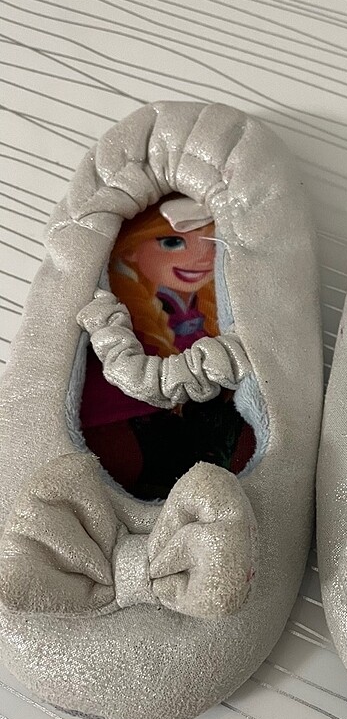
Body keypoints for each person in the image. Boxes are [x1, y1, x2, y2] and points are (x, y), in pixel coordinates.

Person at [80, 197, 254, 498]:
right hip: (136, 421)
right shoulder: (118, 313)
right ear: (131, 248)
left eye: (211, 245)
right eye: (173, 242)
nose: (200, 259)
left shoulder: (216, 312)